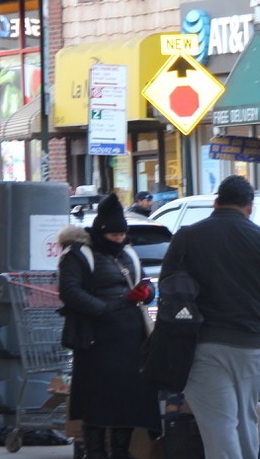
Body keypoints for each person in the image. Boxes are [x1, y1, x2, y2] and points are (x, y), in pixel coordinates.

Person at [160, 175, 260, 459]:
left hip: (202, 345)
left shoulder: (187, 237)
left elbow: (167, 287)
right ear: (249, 207)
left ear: (216, 203)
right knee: (246, 422)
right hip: (251, 346)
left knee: (219, 427)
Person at [57, 193, 160, 459]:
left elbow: (143, 282)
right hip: (96, 341)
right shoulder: (78, 255)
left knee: (127, 401)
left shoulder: (128, 252)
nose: (119, 240)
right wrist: (105, 309)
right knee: (96, 402)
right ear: (101, 232)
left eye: (122, 235)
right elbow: (69, 291)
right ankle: (95, 452)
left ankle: (120, 451)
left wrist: (146, 292)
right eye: (114, 235)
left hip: (130, 342)